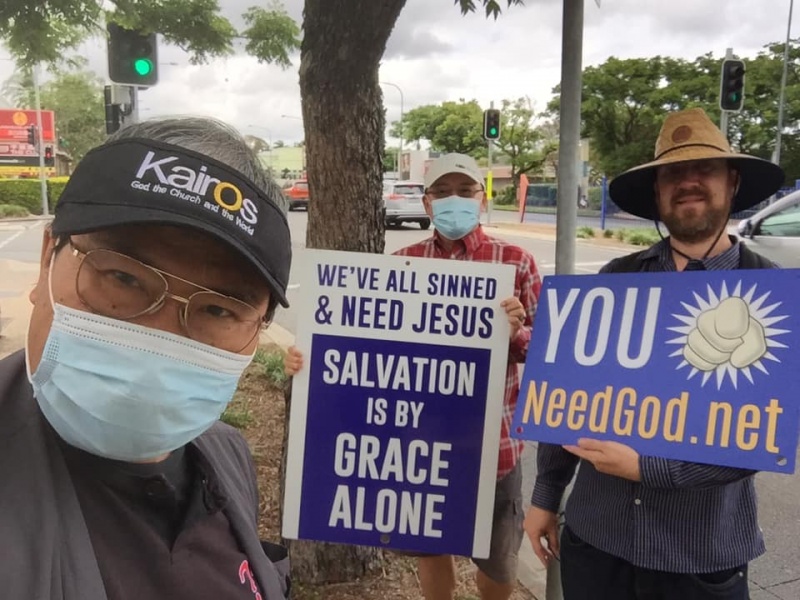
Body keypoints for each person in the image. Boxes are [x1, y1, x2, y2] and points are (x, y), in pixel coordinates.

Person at [0, 117, 294, 599]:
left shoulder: (227, 455)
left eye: (219, 310)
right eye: (123, 278)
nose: (157, 337)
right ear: (47, 257)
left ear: (257, 328)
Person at [524, 107, 785, 600]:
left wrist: (649, 467)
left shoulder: (769, 293)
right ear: (657, 191)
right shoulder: (614, 282)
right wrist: (545, 495)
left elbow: (763, 436)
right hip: (596, 542)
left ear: (732, 182)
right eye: (672, 173)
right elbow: (566, 400)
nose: (688, 182)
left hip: (698, 558)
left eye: (704, 169)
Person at [284, 153, 542, 600]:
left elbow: (548, 353)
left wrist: (517, 334)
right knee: (430, 549)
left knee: (499, 562)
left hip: (493, 446)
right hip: (420, 445)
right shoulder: (404, 262)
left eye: (465, 191)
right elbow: (365, 347)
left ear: (482, 198)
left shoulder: (516, 261)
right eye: (442, 192)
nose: (454, 200)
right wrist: (308, 359)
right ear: (427, 203)